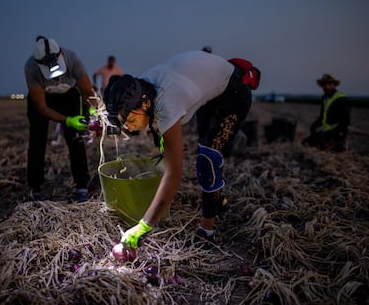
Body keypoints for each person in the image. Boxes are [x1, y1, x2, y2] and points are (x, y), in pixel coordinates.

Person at [103, 51, 260, 249]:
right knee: (205, 144)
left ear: (145, 103)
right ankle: (218, 200)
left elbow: (175, 174)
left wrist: (143, 226)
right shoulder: (140, 88)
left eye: (132, 120)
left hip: (235, 90)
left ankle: (206, 233)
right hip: (211, 92)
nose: (130, 128)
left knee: (208, 160)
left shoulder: (166, 105)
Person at [24, 35, 94, 202]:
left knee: (76, 139)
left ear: (60, 53)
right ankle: (35, 187)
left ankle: (82, 186)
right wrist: (67, 120)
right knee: (37, 141)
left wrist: (90, 113)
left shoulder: (72, 58)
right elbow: (41, 107)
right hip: (44, 99)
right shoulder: (31, 68)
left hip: (68, 96)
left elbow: (87, 91)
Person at [302, 74, 350, 152]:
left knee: (327, 149)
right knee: (305, 143)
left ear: (334, 85)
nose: (326, 87)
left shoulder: (341, 99)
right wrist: (314, 126)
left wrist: (340, 135)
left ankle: (339, 145)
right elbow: (322, 116)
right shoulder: (324, 98)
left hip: (337, 132)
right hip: (326, 131)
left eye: (329, 84)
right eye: (324, 84)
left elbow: (346, 121)